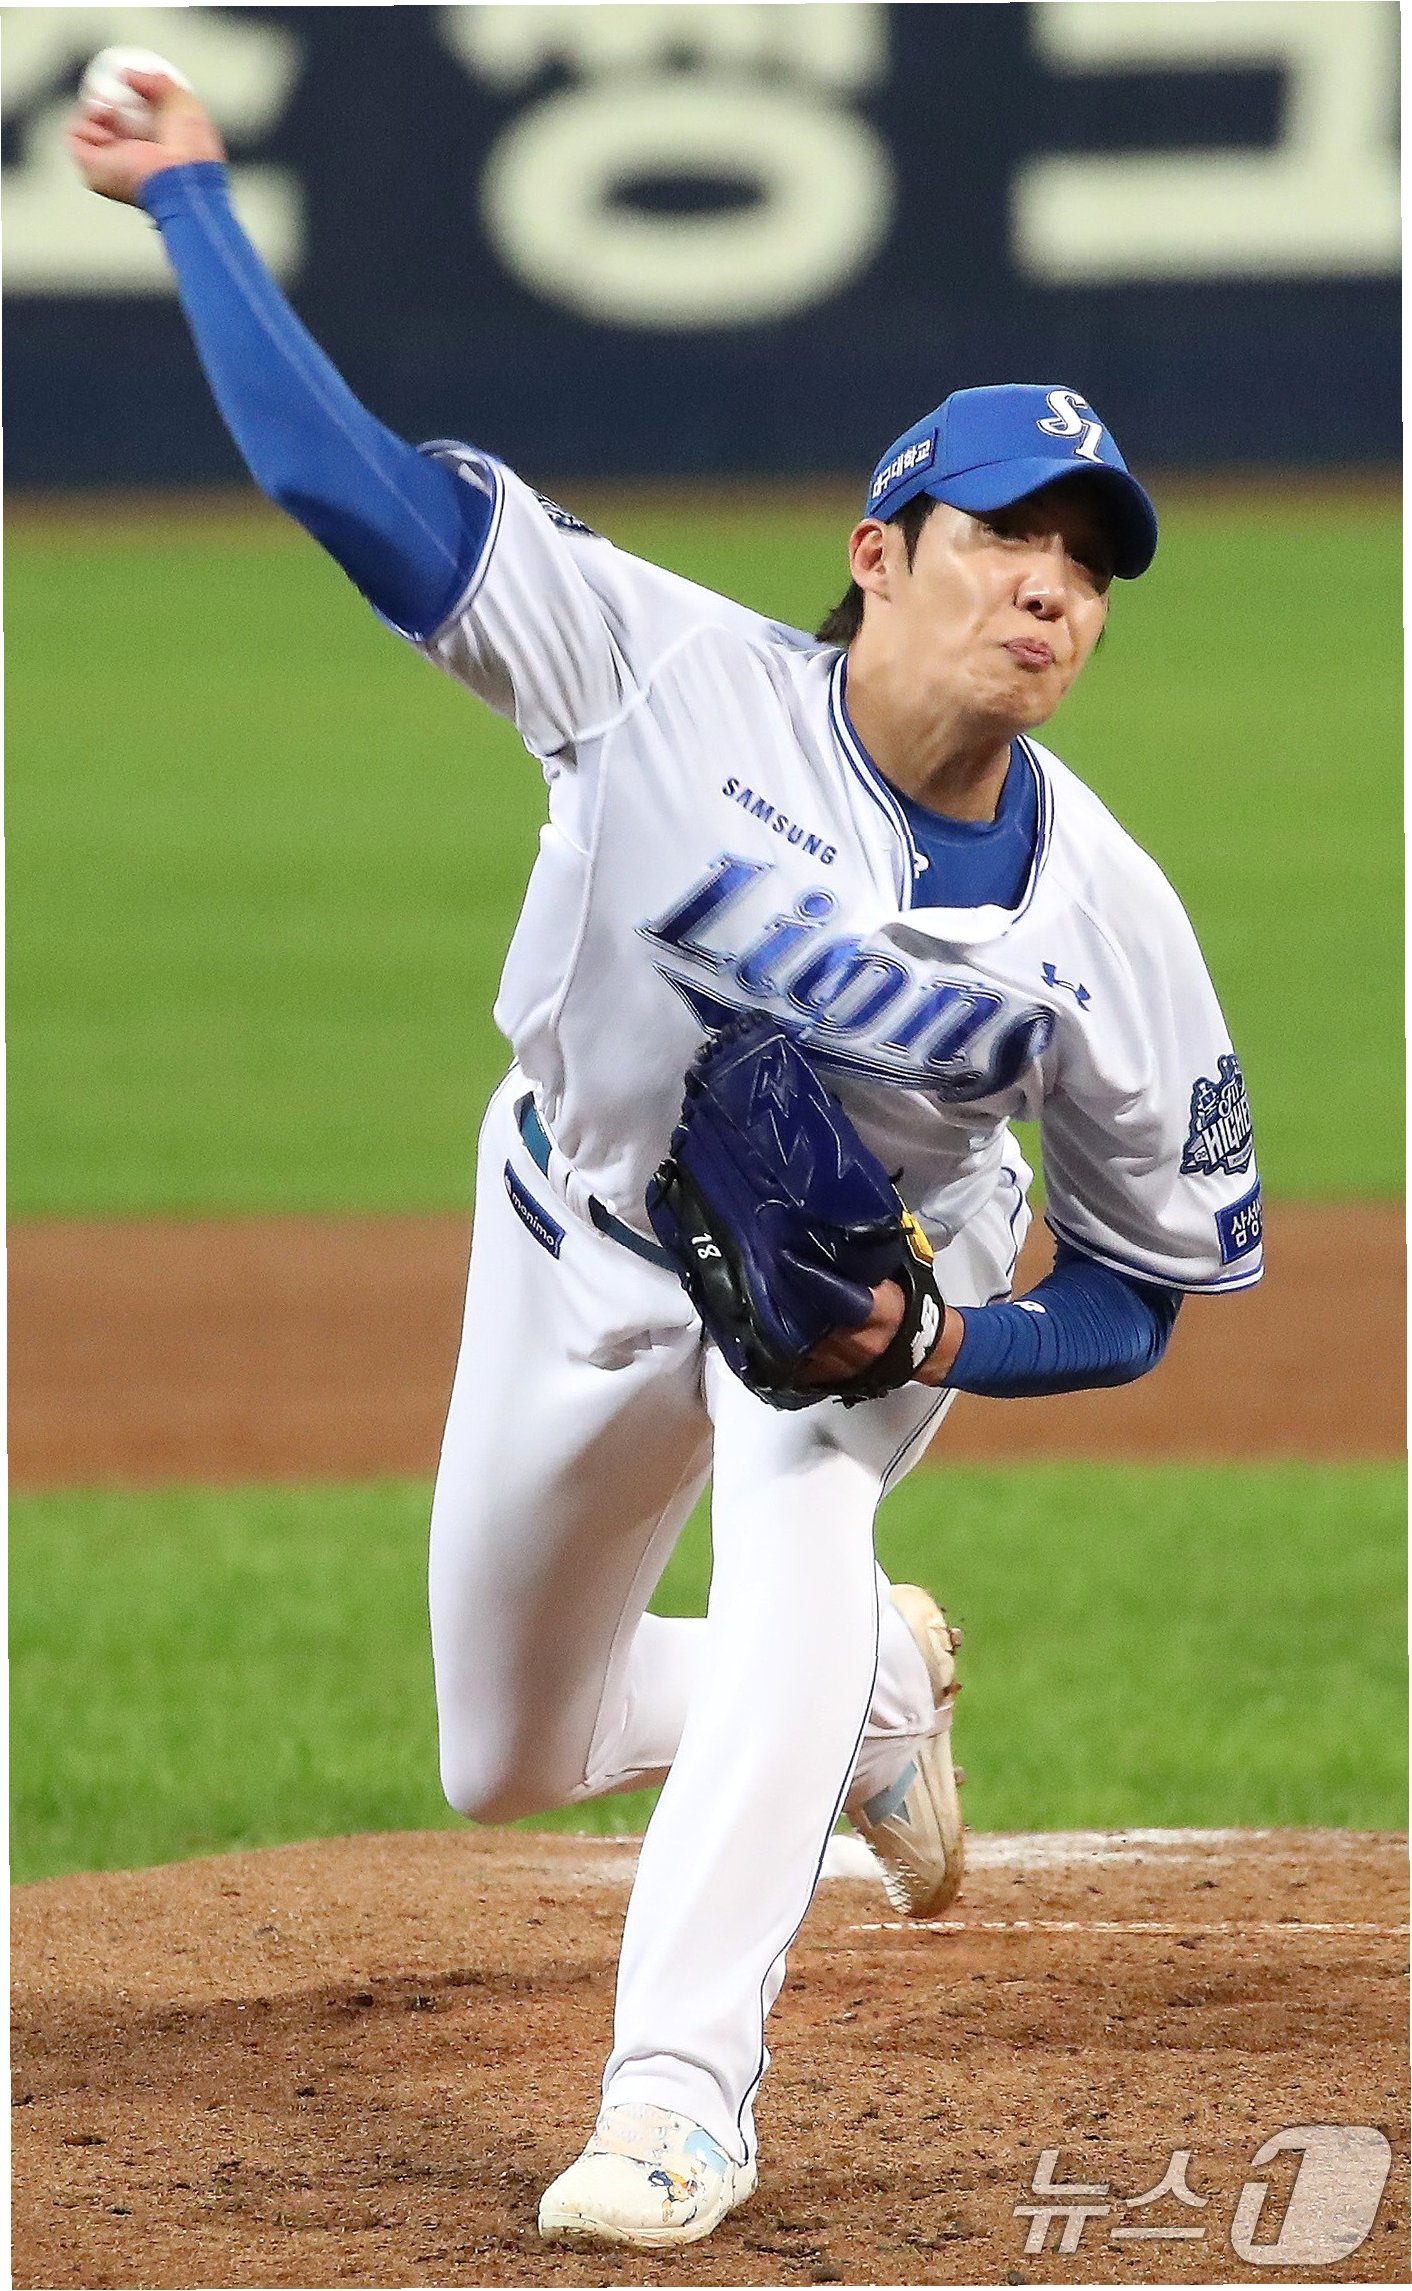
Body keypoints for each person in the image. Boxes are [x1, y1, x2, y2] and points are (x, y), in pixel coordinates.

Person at [70, 73, 1263, 2253]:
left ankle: (680, 2102)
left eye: (1089, 563)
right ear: (877, 552)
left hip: (854, 1290)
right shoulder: (653, 674)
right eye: (1004, 535)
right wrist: (193, 204)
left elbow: (1142, 1292)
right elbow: (341, 485)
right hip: (572, 1231)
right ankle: (873, 1692)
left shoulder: (1114, 925)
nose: (1050, 588)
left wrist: (940, 1339)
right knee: (506, 1760)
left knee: (802, 1503)